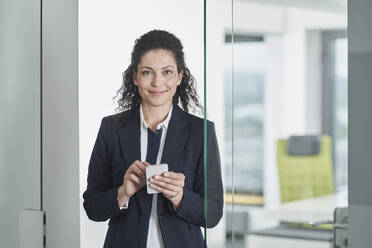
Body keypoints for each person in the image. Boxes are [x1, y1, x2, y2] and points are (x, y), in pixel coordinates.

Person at [83, 30, 223, 248]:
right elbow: (92, 206)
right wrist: (123, 192)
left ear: (179, 76)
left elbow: (213, 213)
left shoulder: (201, 131)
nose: (158, 82)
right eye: (147, 72)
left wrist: (179, 196)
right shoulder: (111, 128)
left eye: (167, 72)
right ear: (135, 77)